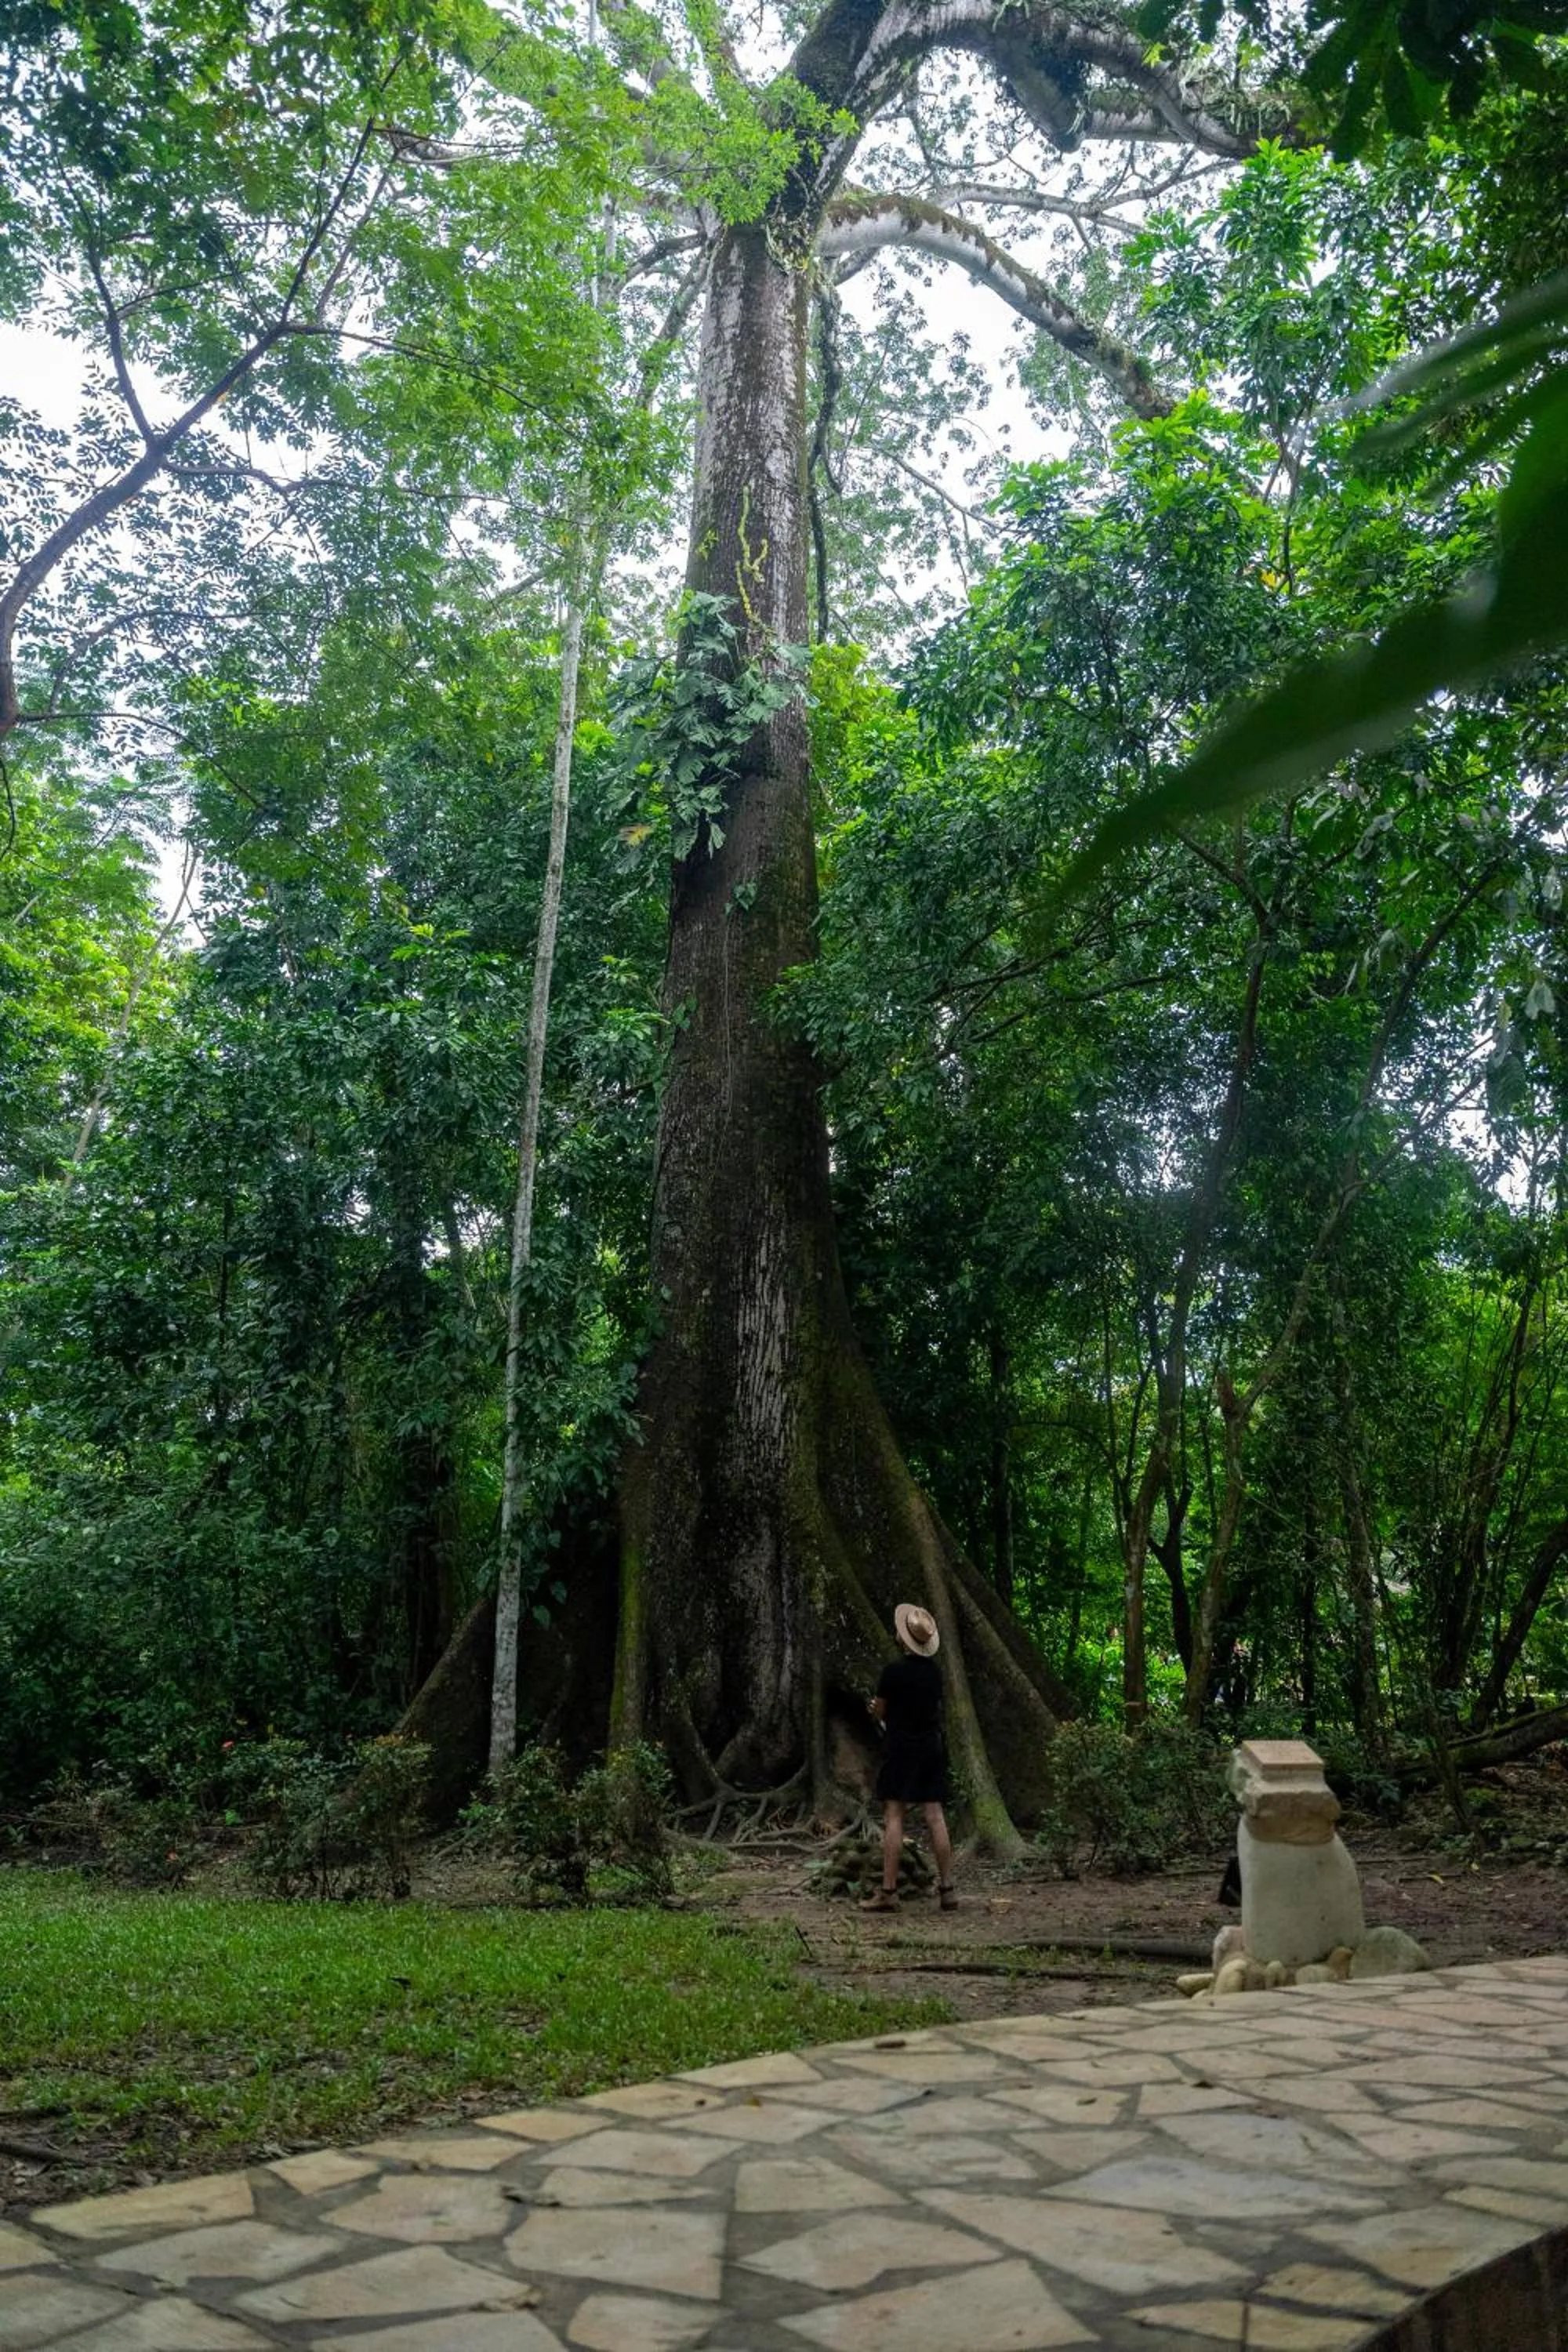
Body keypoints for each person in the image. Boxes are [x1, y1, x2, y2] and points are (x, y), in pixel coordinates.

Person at [861, 1602, 957, 1912]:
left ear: (903, 1638)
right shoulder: (934, 1673)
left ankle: (889, 1892)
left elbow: (881, 1711)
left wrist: (876, 1710)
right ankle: (948, 1890)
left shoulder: (893, 1672)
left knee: (894, 1815)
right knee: (935, 1816)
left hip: (901, 1748)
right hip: (931, 1747)